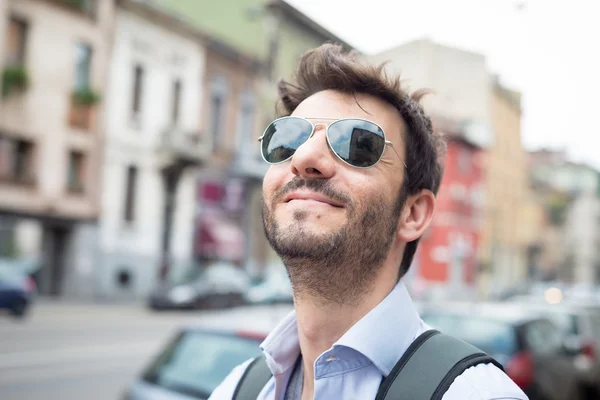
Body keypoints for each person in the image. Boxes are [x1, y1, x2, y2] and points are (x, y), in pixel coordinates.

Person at [209, 44, 527, 400]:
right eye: (286, 140)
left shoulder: (475, 395)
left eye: (358, 144)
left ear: (413, 213)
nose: (305, 157)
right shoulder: (237, 389)